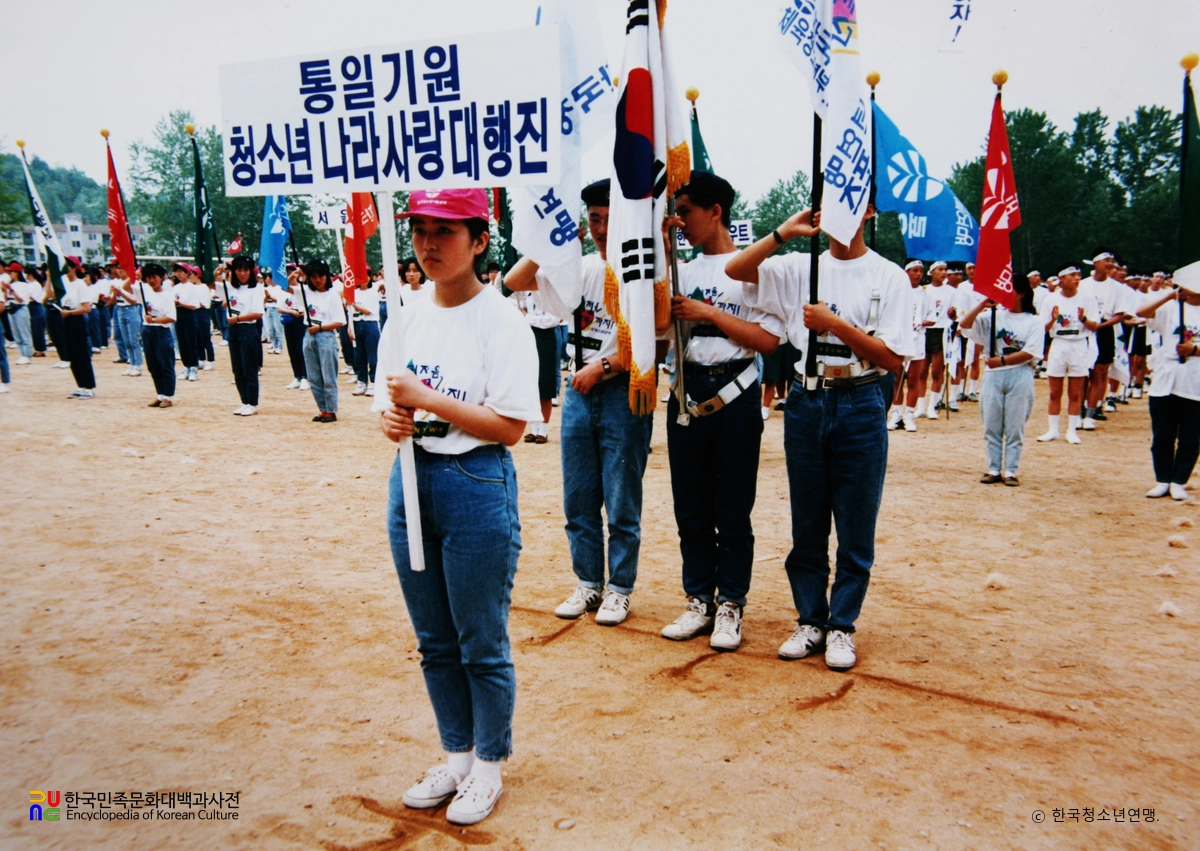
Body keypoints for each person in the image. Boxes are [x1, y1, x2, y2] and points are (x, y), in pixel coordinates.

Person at [373, 188, 539, 826]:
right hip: (410, 481)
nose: (428, 244)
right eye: (419, 229)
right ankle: (458, 757)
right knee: (434, 640)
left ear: (479, 240)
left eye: (445, 231)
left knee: (480, 640)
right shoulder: (407, 311)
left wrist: (426, 399)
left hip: (475, 482)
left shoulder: (501, 320)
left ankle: (490, 765)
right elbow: (388, 394)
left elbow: (510, 425)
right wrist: (391, 417)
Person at [725, 203, 913, 672]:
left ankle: (842, 625)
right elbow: (735, 269)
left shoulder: (889, 276)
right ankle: (810, 619)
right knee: (807, 521)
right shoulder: (797, 268)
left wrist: (835, 325)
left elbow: (892, 358)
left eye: (849, 203)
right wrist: (784, 232)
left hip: (861, 398)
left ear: (868, 212)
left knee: (855, 520)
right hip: (807, 400)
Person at [504, 179, 654, 627]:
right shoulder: (579, 266)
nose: (602, 228)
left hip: (623, 395)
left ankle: (619, 588)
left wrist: (605, 368)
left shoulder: (644, 270)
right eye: (595, 219)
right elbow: (513, 281)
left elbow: (656, 343)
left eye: (610, 218)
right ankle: (588, 582)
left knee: (621, 500)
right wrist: (555, 239)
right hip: (579, 397)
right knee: (579, 499)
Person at [656, 171, 780, 652]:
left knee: (731, 505)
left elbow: (767, 341)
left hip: (736, 391)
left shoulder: (750, 270)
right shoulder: (679, 269)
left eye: (686, 211)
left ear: (715, 212)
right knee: (690, 504)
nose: (680, 221)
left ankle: (731, 603)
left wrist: (708, 314)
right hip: (686, 391)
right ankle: (698, 600)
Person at [960, 277, 1045, 485]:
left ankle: (1011, 470)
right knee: (992, 423)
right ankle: (993, 467)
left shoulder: (1034, 321)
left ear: (1021, 293)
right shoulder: (994, 317)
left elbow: (1030, 352)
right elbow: (965, 325)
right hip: (994, 376)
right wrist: (982, 304)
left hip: (1019, 373)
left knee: (1014, 425)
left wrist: (1002, 360)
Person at [1137, 282, 1200, 499]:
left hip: (1195, 382)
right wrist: (1169, 296)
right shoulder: (1173, 308)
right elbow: (1142, 312)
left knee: (1191, 436)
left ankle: (1179, 481)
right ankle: (1162, 480)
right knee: (1163, 434)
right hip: (1165, 380)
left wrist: (1195, 349)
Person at [1037, 265, 1100, 444]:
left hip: (1079, 345)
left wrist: (1083, 319)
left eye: (1078, 275)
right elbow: (1042, 328)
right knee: (1054, 392)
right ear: (1061, 278)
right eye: (1072, 275)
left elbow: (1095, 326)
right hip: (1059, 345)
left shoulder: (1087, 299)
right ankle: (1053, 429)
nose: (1077, 278)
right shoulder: (1051, 299)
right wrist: (1052, 319)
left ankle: (1072, 430)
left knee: (1075, 392)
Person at [1078, 251, 1128, 428]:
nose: (1111, 264)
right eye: (1107, 260)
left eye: (1112, 261)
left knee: (1099, 372)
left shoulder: (1117, 287)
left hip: (1104, 329)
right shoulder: (1083, 285)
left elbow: (1119, 314)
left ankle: (1092, 412)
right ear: (1096, 263)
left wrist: (1099, 326)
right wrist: (1087, 323)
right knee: (1083, 373)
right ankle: (1079, 411)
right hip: (1083, 329)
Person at [123, 264, 178, 407]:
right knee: (153, 365)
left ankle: (168, 396)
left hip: (161, 331)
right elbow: (126, 288)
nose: (152, 280)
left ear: (161, 278)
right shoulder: (145, 291)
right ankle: (160, 394)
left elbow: (171, 317)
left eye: (154, 277)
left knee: (165, 363)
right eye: (149, 277)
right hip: (147, 331)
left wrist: (154, 319)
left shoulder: (166, 295)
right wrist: (134, 276)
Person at [513, 288, 561, 444]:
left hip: (545, 338)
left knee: (545, 385)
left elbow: (552, 320)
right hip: (528, 337)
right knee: (530, 384)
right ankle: (533, 428)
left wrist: (528, 318)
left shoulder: (550, 293)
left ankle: (543, 429)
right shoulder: (526, 293)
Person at [302, 260, 345, 423]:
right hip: (309, 336)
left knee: (328, 375)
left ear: (327, 276)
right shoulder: (306, 292)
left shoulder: (333, 296)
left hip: (325, 336)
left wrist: (319, 327)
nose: (317, 280)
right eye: (313, 277)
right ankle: (322, 408)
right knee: (313, 375)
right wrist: (296, 277)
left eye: (321, 276)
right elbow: (288, 288)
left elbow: (340, 321)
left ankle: (331, 409)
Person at [225, 255, 265, 416]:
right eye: (239, 270)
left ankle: (252, 402)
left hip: (247, 329)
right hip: (233, 329)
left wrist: (238, 318)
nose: (242, 273)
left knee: (249, 368)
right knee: (237, 368)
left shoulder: (256, 289)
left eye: (245, 270)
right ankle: (244, 400)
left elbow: (257, 313)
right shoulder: (231, 287)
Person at [897, 259, 928, 432]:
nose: (918, 274)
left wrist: (921, 322)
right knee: (897, 379)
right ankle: (896, 414)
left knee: (914, 379)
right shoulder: (898, 291)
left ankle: (909, 415)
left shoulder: (925, 294)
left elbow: (932, 318)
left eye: (921, 271)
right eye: (914, 270)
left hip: (918, 339)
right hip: (900, 339)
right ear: (906, 272)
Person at [59, 256, 97, 398]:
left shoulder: (81, 284)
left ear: (74, 267)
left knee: (81, 354)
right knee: (72, 354)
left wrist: (69, 312)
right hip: (66, 318)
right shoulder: (63, 283)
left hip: (76, 319)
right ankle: (80, 385)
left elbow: (87, 308)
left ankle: (89, 386)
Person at [918, 260, 950, 419]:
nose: (943, 272)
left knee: (937, 371)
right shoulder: (924, 290)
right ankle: (920, 407)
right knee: (921, 371)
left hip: (941, 331)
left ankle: (933, 406)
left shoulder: (951, 291)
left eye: (945, 269)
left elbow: (957, 313)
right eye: (940, 269)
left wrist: (953, 314)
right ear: (931, 273)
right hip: (925, 331)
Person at [278, 267, 309, 391]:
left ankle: (305, 376)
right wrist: (290, 311)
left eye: (293, 272)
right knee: (292, 350)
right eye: (289, 273)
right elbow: (280, 307)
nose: (292, 275)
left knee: (301, 349)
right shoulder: (284, 291)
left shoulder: (304, 288)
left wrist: (301, 276)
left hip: (301, 320)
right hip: (289, 319)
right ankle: (297, 376)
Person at [350, 272, 381, 397]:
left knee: (372, 355)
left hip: (370, 324)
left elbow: (368, 311)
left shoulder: (373, 292)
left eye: (367, 276)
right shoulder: (354, 292)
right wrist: (349, 328)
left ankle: (373, 382)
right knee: (359, 355)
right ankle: (361, 381)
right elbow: (350, 313)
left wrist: (353, 304)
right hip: (356, 324)